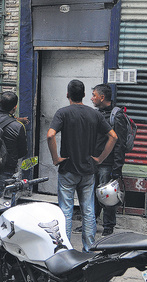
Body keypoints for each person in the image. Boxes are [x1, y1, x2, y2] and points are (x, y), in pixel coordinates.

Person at [47, 79, 117, 252]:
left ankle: (65, 249)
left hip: (68, 170)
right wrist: (100, 159)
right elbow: (114, 137)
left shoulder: (63, 113)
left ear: (67, 95)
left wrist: (56, 158)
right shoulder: (95, 115)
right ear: (84, 95)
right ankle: (89, 248)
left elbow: (50, 135)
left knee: (66, 211)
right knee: (88, 211)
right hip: (88, 171)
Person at [91, 84, 128, 236]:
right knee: (91, 195)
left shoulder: (116, 116)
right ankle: (91, 223)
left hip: (108, 164)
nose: (91, 98)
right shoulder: (95, 114)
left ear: (102, 97)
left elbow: (120, 144)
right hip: (93, 162)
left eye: (94, 95)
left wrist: (117, 168)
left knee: (108, 196)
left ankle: (108, 227)